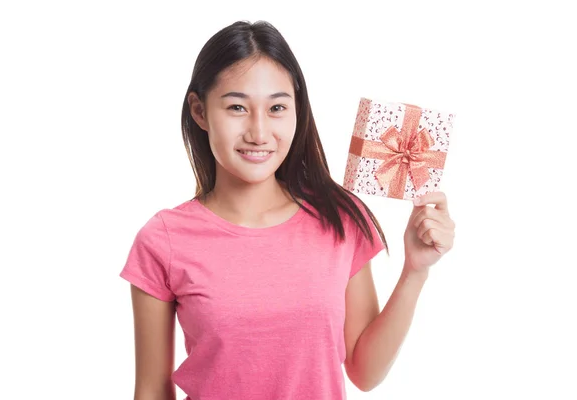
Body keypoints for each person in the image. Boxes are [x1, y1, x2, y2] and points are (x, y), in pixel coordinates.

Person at [119, 20, 455, 400]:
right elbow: (150, 389)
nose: (259, 132)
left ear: (298, 109)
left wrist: (415, 271)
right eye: (236, 107)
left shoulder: (340, 220)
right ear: (199, 111)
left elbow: (364, 372)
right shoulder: (163, 239)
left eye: (277, 107)